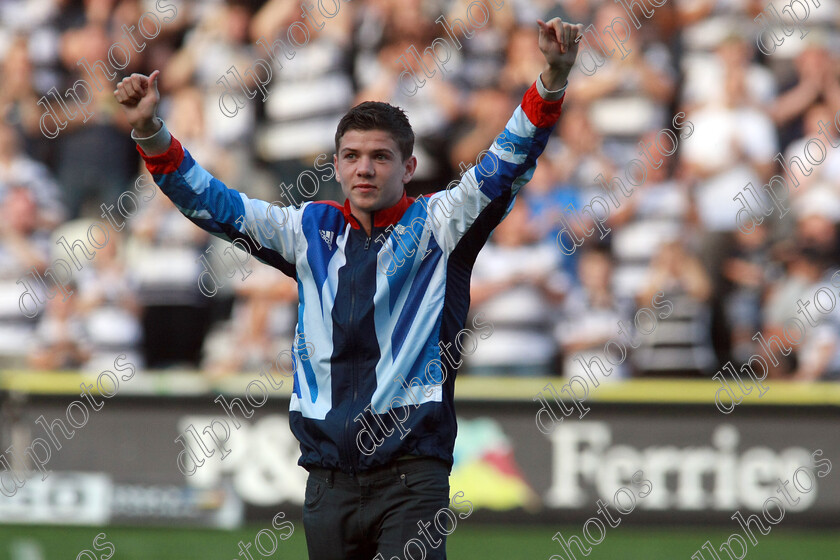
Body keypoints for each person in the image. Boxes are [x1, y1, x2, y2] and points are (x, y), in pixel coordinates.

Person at [114, 17, 582, 560]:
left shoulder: (441, 225)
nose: (366, 169)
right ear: (336, 166)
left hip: (413, 479)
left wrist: (552, 77)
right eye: (353, 157)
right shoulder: (307, 230)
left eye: (381, 157)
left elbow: (509, 158)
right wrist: (151, 131)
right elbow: (214, 204)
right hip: (327, 483)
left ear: (409, 167)